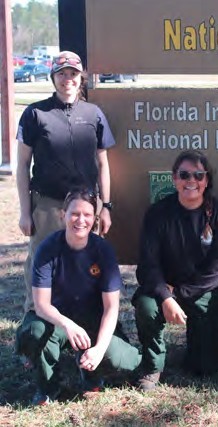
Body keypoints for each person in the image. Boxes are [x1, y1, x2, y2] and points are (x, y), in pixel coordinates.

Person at [15, 188, 141, 405]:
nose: (80, 220)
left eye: (87, 215)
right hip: (56, 320)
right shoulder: (47, 249)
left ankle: (91, 373)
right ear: (62, 215)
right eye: (74, 213)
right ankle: (49, 387)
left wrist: (100, 349)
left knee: (122, 360)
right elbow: (41, 305)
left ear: (95, 219)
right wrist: (68, 325)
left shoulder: (103, 251)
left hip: (93, 320)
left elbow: (111, 308)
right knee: (34, 333)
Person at [16, 51, 116, 314]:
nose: (67, 79)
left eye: (73, 74)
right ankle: (35, 325)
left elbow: (103, 164)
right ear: (53, 77)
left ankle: (85, 322)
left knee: (86, 264)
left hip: (86, 207)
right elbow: (23, 166)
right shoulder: (35, 114)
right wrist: (26, 212)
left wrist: (105, 206)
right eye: (61, 74)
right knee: (41, 260)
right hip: (48, 203)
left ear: (81, 78)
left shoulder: (94, 114)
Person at [134, 150, 218, 390]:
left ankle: (203, 351)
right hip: (164, 289)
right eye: (185, 174)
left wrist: (178, 294)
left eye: (199, 175)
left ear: (206, 180)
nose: (192, 181)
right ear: (174, 179)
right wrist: (165, 297)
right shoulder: (158, 213)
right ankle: (152, 366)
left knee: (204, 368)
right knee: (147, 305)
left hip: (204, 291)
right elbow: (148, 265)